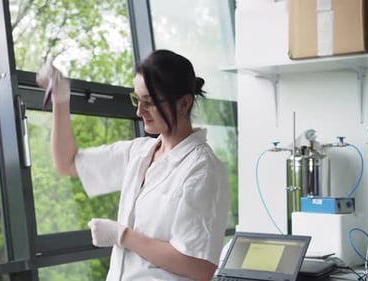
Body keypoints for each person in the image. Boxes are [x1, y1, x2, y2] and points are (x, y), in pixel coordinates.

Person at [36, 49, 229, 281]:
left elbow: (200, 267)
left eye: (149, 102)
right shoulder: (137, 153)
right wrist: (61, 98)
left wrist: (124, 236)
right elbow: (67, 163)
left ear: (184, 103)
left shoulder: (202, 169)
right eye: (137, 99)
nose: (139, 111)